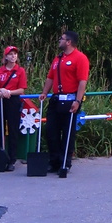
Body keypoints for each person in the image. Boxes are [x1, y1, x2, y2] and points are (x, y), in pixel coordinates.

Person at [40, 31, 89, 174]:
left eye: (61, 39)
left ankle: (65, 162)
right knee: (51, 131)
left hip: (70, 99)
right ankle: (54, 161)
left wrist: (77, 100)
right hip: (56, 99)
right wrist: (44, 92)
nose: (59, 41)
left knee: (68, 133)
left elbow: (82, 81)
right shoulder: (58, 58)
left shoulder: (80, 58)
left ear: (69, 42)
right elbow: (50, 77)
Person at [0, 46, 28, 171]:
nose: (13, 56)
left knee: (13, 130)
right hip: (1, 100)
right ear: (6, 56)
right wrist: (2, 90)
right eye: (11, 54)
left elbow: (21, 89)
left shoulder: (20, 71)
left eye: (15, 54)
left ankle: (12, 159)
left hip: (13, 101)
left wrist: (9, 92)